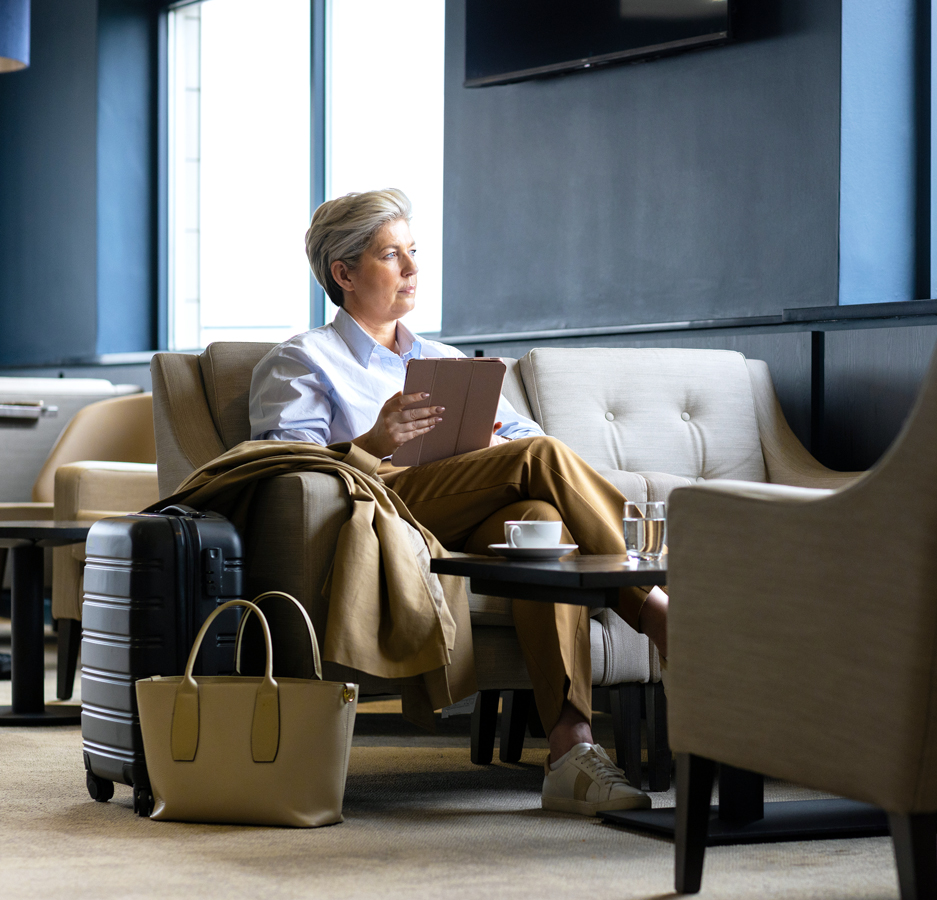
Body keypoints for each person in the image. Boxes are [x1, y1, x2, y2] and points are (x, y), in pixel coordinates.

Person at [248, 188, 669, 817]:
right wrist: (375, 440)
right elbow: (290, 471)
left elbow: (525, 438)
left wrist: (493, 442)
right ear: (344, 273)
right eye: (392, 255)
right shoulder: (303, 359)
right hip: (378, 505)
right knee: (540, 457)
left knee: (542, 521)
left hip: (461, 506)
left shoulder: (444, 361)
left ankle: (571, 750)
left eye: (414, 252)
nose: (412, 269)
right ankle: (659, 611)